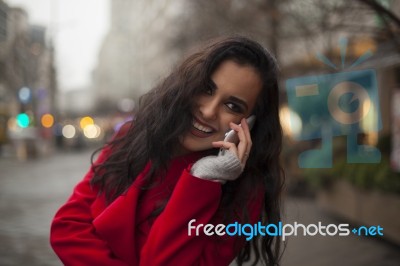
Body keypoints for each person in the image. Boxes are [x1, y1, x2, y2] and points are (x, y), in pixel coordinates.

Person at [50, 36, 284, 266]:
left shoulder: (245, 194)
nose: (209, 111)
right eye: (206, 89)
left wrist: (203, 179)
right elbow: (66, 227)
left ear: (250, 123)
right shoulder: (133, 136)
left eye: (232, 106)